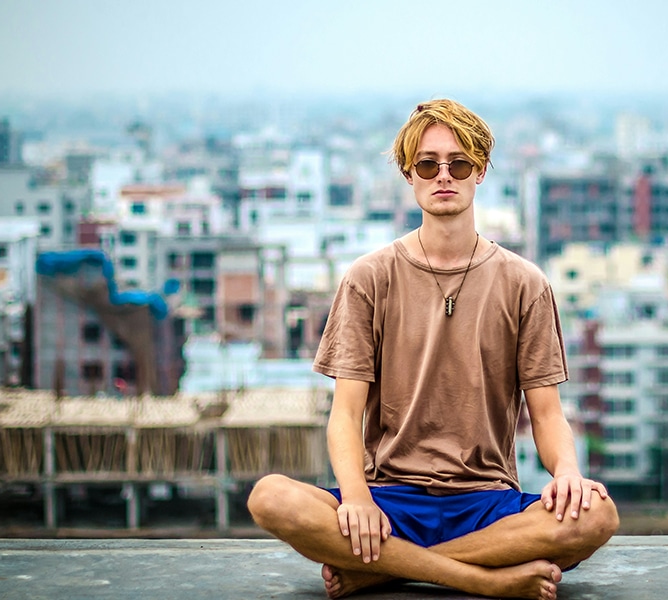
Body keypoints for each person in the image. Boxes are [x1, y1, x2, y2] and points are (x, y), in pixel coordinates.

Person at [248, 99, 618, 600]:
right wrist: (357, 500)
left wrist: (568, 475)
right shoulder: (368, 279)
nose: (444, 175)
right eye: (427, 164)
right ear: (409, 173)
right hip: (390, 500)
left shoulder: (523, 283)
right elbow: (346, 412)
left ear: (480, 171)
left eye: (458, 163)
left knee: (597, 515)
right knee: (270, 497)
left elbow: (547, 414)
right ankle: (482, 578)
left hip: (487, 501)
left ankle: (385, 571)